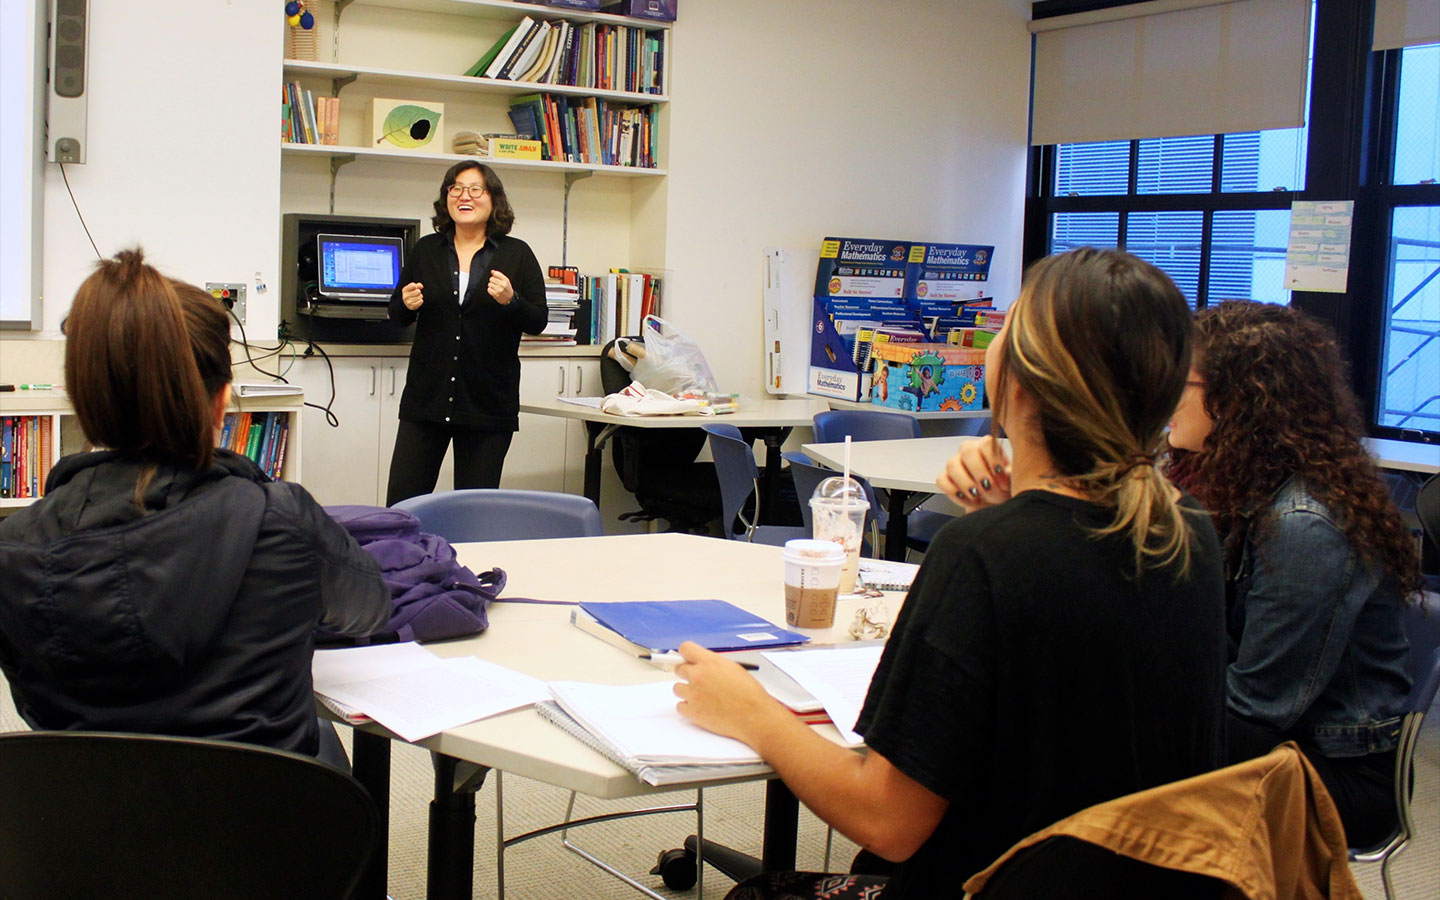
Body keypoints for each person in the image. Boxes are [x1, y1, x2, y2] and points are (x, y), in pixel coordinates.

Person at [673, 248, 1228, 899]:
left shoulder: (985, 554)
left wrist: (755, 714)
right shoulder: (1186, 528)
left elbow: (888, 821)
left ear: (1016, 383)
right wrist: (1013, 510)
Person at [0, 250, 390, 760]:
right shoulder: (279, 518)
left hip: (85, 828)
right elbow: (369, 610)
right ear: (222, 399)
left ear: (82, 395)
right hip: (265, 825)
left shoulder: (13, 551)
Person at [1166, 300, 1419, 848]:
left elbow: (1257, 707)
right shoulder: (1230, 482)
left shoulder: (1305, 523)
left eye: (1181, 380)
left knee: (1098, 767)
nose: (1166, 396)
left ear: (1238, 400)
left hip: (1335, 772)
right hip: (1277, 738)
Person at [385, 160, 548, 505]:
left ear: (494, 200)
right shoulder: (427, 249)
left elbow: (538, 321)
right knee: (402, 507)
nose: (465, 196)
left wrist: (512, 301)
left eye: (476, 189)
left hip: (487, 405)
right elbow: (396, 314)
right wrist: (405, 304)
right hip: (426, 401)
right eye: (456, 188)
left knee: (474, 511)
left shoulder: (517, 254)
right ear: (446, 198)